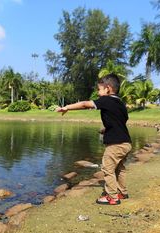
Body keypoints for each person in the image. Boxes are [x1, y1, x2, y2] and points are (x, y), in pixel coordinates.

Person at [56, 73, 132, 205]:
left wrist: (67, 107)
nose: (98, 92)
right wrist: (106, 129)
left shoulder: (107, 100)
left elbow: (85, 104)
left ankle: (112, 197)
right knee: (119, 168)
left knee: (107, 169)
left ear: (107, 88)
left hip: (115, 144)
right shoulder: (120, 103)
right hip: (126, 142)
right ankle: (122, 192)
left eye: (99, 89)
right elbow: (121, 120)